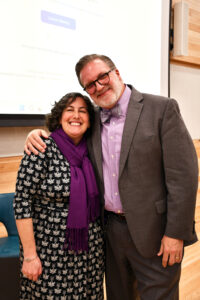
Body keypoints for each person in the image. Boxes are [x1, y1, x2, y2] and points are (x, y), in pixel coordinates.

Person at [24, 54, 199, 300]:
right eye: (90, 85)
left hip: (157, 233)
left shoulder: (161, 108)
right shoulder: (92, 119)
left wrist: (176, 233)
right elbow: (66, 134)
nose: (98, 86)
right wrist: (37, 133)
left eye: (102, 77)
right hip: (111, 233)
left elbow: (184, 176)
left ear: (116, 74)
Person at [14, 92, 105, 300]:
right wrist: (29, 256)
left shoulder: (93, 150)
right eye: (70, 110)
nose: (76, 116)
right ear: (59, 116)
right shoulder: (41, 147)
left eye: (83, 111)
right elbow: (22, 202)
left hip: (89, 255)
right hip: (49, 256)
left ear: (90, 121)